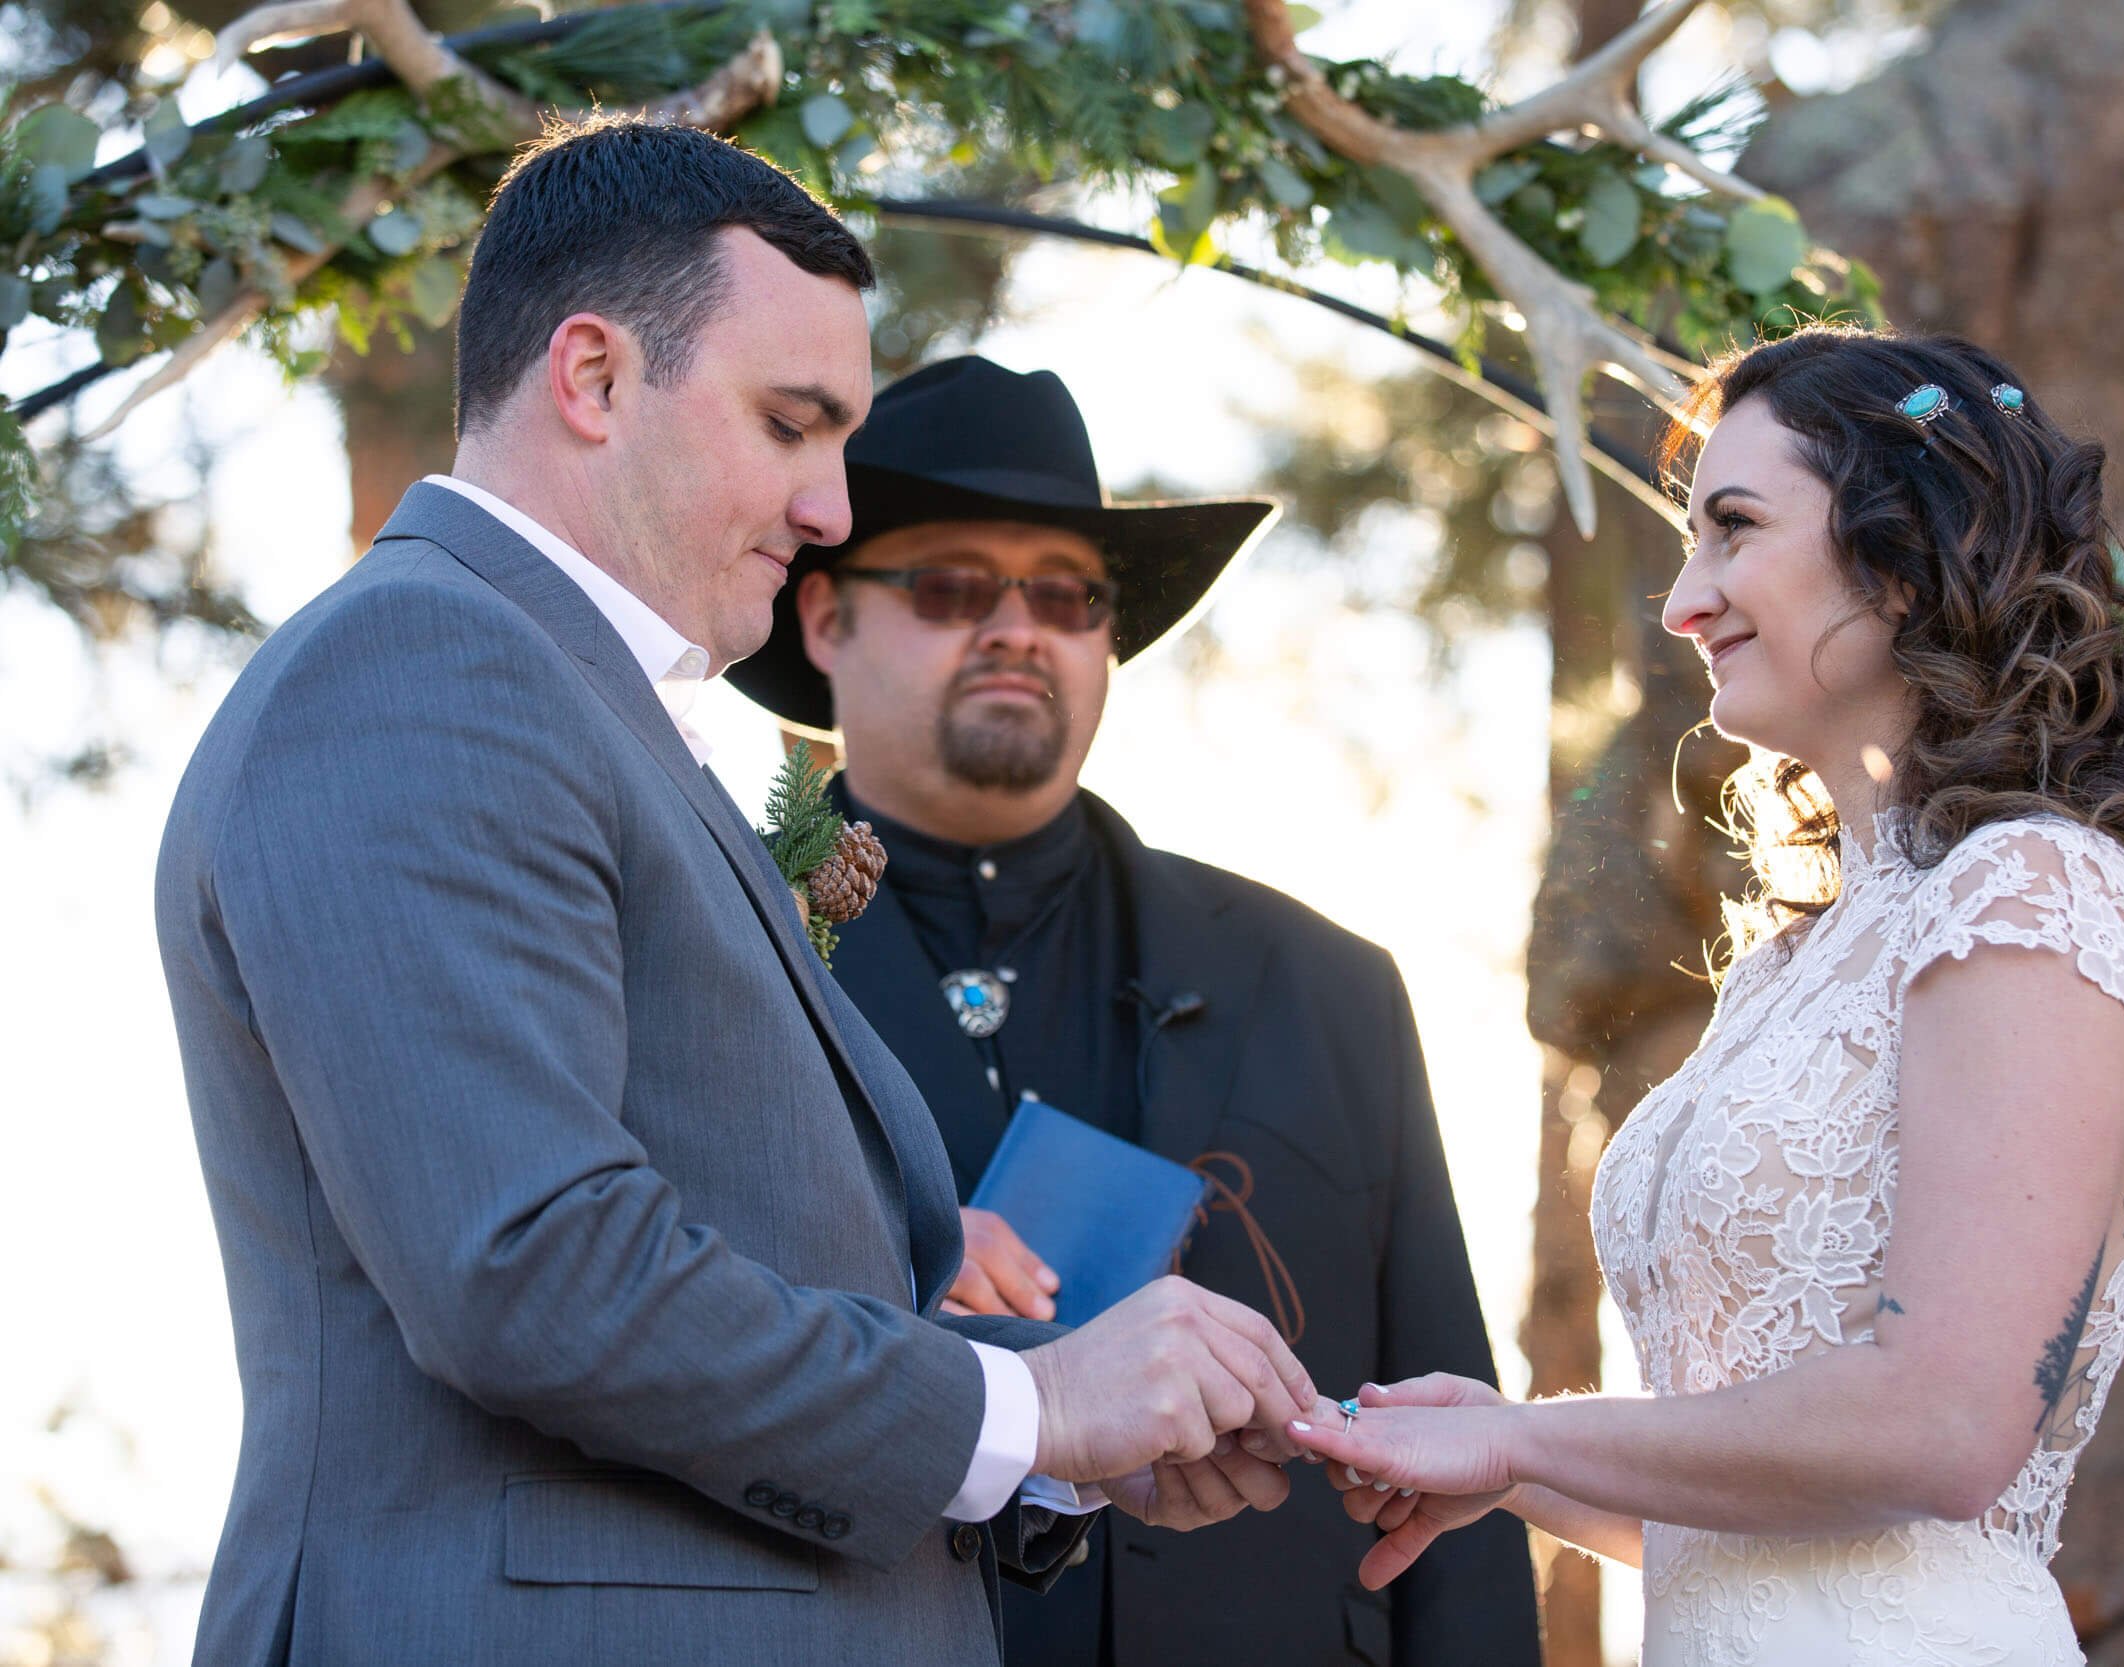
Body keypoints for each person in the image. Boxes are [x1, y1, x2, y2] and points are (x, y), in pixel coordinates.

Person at [154, 119, 1325, 1667]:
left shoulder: (575, 706)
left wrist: (1069, 1434)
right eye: (793, 425)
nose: (834, 507)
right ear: (591, 378)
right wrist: (1034, 1398)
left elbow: (765, 1264)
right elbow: (534, 1267)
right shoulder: (420, 672)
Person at [1288, 326, 2124, 1665]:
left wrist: (1527, 1430)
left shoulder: (2032, 894)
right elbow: (1768, 1536)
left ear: (1903, 558)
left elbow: (1944, 1436)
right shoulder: (1798, 960)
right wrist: (1507, 1469)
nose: (1685, 600)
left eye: (1734, 529)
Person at [725, 354, 1542, 1667]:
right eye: (950, 586)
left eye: (1066, 595)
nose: (1017, 627)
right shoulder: (713, 950)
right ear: (823, 620)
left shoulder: (1328, 986)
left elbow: (1454, 1449)